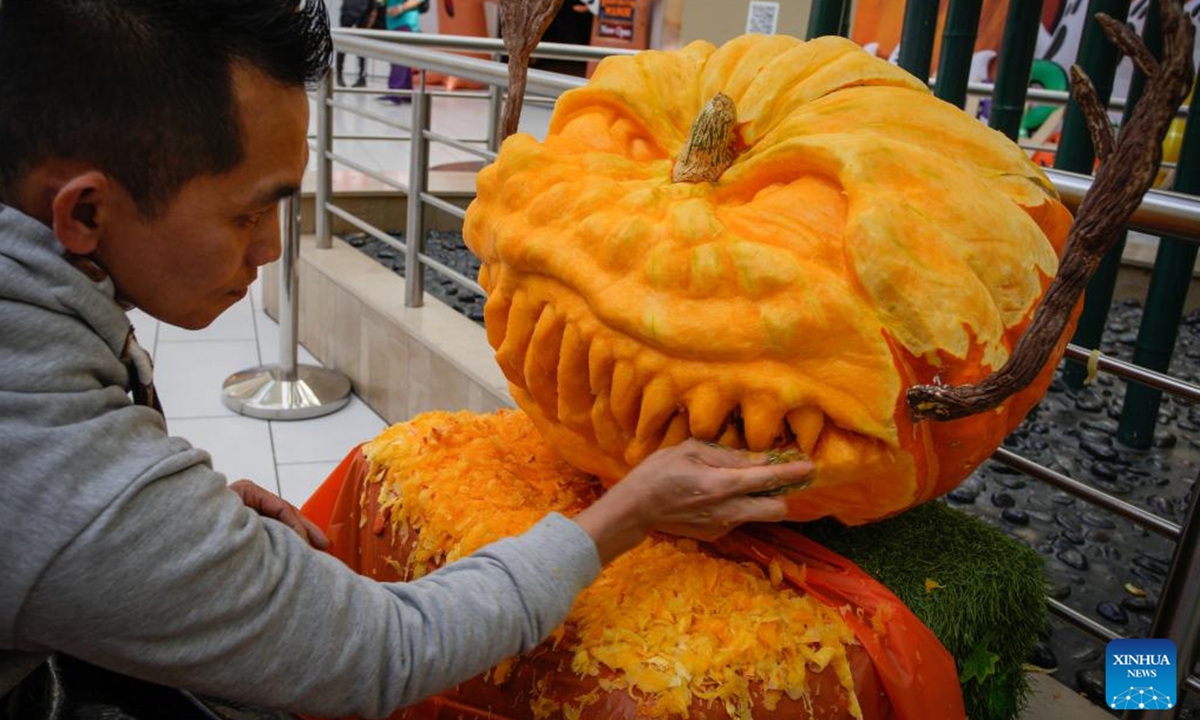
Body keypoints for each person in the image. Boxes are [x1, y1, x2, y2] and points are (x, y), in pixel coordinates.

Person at [0, 1, 813, 717]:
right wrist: (627, 512)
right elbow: (386, 650)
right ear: (86, 209)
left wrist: (176, 526)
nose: (270, 247)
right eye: (249, 213)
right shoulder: (59, 465)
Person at [379, 0, 424, 104]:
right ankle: (406, 94)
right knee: (403, 59)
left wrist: (401, 8)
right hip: (392, 22)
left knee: (398, 58)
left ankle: (395, 93)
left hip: (406, 21)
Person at [335, 0, 378, 87]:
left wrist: (372, 13)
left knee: (361, 47)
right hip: (348, 11)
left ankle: (362, 77)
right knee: (342, 45)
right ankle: (339, 74)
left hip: (364, 12)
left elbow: (373, 6)